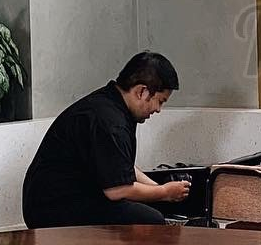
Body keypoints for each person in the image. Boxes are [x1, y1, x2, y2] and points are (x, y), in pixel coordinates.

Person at [22, 51, 190, 229]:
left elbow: (119, 166)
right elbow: (117, 190)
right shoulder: (110, 122)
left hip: (64, 198)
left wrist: (157, 188)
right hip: (53, 206)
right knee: (150, 220)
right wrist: (164, 192)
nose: (158, 109)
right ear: (142, 91)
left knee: (152, 205)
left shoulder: (111, 105)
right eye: (160, 101)